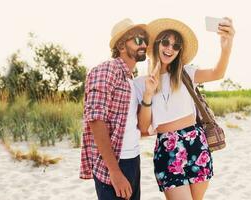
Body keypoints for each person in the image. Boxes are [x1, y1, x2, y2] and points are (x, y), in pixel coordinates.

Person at [134, 18, 235, 200]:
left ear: (179, 51)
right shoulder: (140, 83)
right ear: (157, 44)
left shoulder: (187, 73)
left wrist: (226, 46)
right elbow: (143, 127)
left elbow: (217, 73)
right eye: (165, 42)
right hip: (167, 148)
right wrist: (148, 94)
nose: (169, 48)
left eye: (176, 45)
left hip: (195, 143)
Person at [80, 18, 149, 200]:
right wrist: (115, 171)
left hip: (133, 159)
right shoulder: (107, 69)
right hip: (115, 163)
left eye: (144, 40)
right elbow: (95, 119)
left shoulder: (131, 80)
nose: (143, 44)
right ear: (121, 45)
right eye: (137, 39)